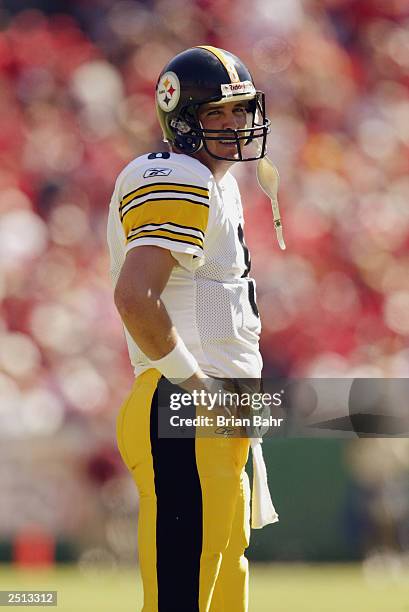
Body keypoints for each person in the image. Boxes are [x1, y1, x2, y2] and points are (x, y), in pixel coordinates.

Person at [107, 45, 278, 612]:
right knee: (181, 595)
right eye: (217, 114)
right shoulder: (175, 173)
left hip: (211, 406)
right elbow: (136, 296)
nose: (234, 125)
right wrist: (199, 390)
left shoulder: (219, 183)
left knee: (222, 587)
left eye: (241, 110)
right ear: (182, 120)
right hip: (182, 402)